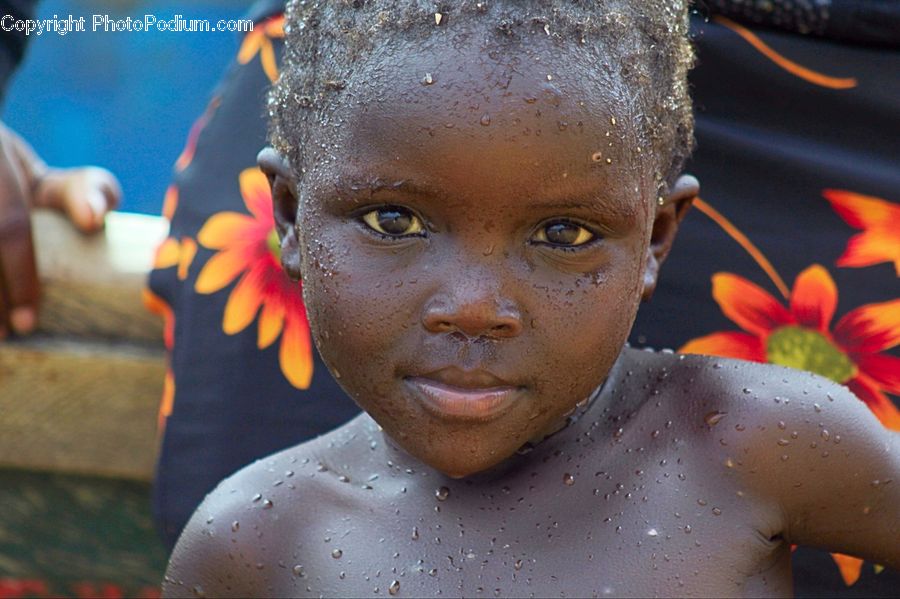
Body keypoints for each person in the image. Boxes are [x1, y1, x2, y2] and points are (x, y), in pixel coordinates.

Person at [160, 1, 899, 596]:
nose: (475, 306)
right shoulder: (254, 545)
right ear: (289, 217)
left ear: (656, 239)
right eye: (396, 220)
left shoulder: (754, 444)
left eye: (563, 232)